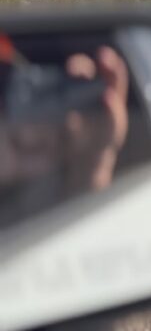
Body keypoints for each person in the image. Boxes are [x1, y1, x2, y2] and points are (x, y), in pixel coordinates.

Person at [0, 36, 130, 229]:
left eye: (62, 141)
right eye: (18, 140)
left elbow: (76, 235)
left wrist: (98, 161)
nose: (32, 136)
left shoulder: (26, 210)